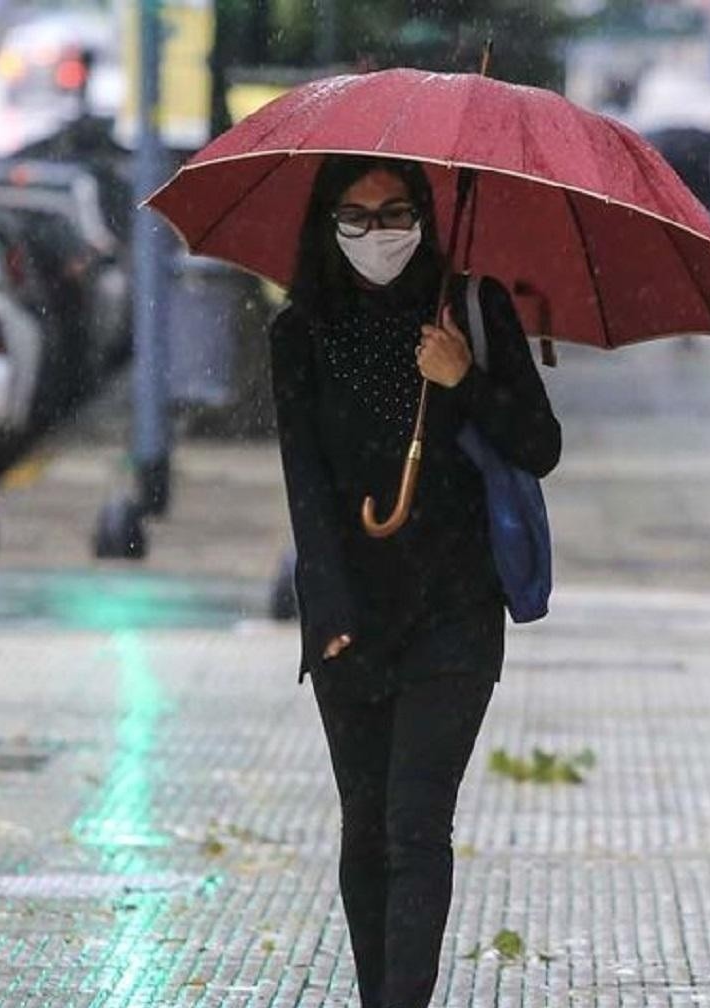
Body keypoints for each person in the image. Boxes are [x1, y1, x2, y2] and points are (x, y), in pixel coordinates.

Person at [270, 155, 561, 1008]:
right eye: (355, 217)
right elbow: (305, 488)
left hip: (456, 613)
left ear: (426, 219)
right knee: (365, 831)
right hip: (350, 615)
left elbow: (540, 446)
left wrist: (463, 379)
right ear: (327, 226)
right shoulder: (300, 332)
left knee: (416, 824)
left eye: (395, 213)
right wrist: (325, 611)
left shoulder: (470, 309)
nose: (376, 234)